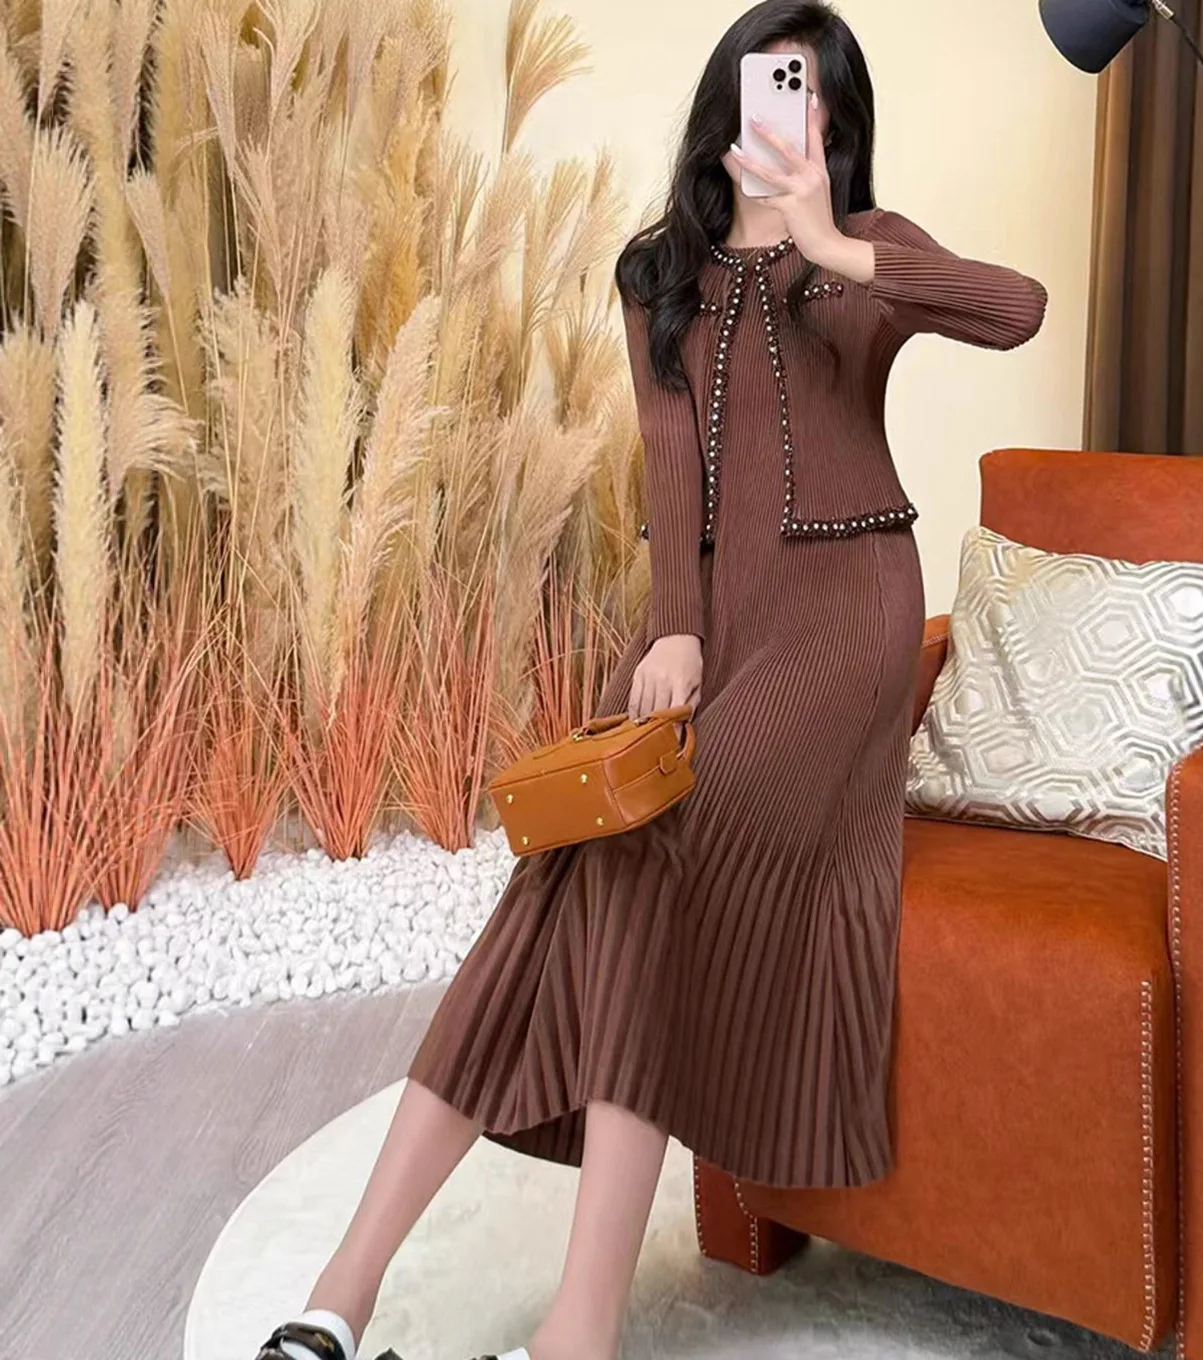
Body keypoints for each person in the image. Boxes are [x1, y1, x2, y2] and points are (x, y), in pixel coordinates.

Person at [250, 3, 1046, 1359]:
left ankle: (581, 1327)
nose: (782, 114)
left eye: (810, 95)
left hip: (845, 629)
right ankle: (341, 1296)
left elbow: (1018, 310)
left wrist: (834, 244)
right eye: (764, 86)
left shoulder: (868, 256)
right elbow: (673, 478)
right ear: (722, 106)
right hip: (710, 629)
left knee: (644, 845)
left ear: (838, 126)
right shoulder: (657, 274)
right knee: (567, 871)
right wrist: (672, 629)